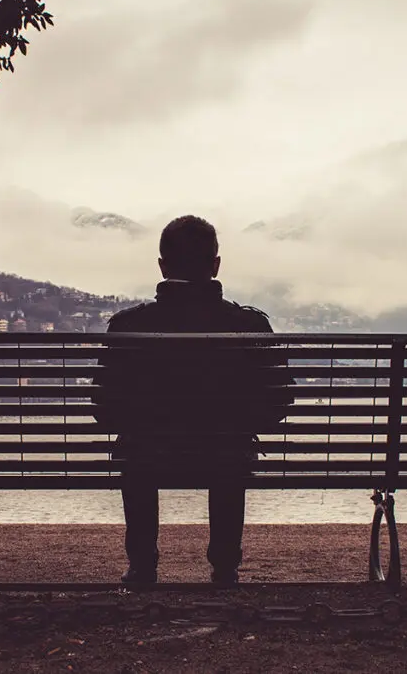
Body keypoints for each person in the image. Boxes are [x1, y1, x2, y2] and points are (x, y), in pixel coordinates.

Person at [93, 215, 285, 585]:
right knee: (232, 452)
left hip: (146, 454)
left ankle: (143, 564)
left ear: (163, 267)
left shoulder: (127, 327)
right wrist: (239, 425)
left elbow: (104, 407)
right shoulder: (249, 326)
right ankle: (225, 564)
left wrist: (141, 424)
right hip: (227, 455)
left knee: (135, 453)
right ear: (215, 266)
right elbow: (278, 400)